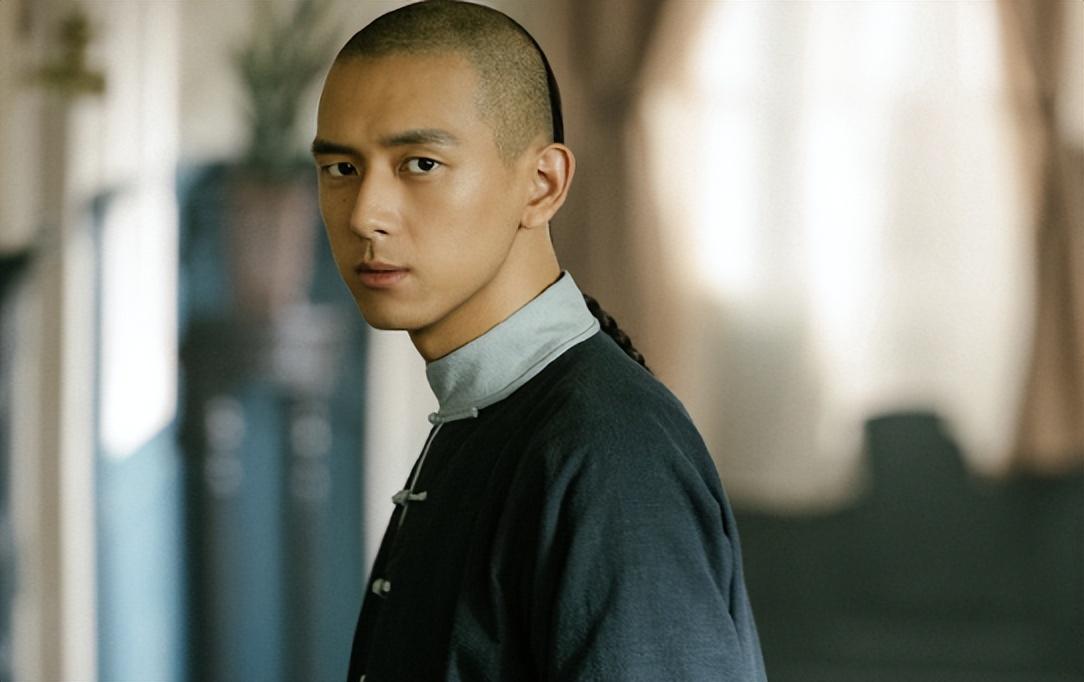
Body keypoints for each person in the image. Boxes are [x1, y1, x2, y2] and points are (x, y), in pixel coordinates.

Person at [312, 1, 767, 680]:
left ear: (542, 184)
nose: (366, 215)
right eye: (342, 169)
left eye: (421, 164)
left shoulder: (610, 454)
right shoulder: (492, 403)